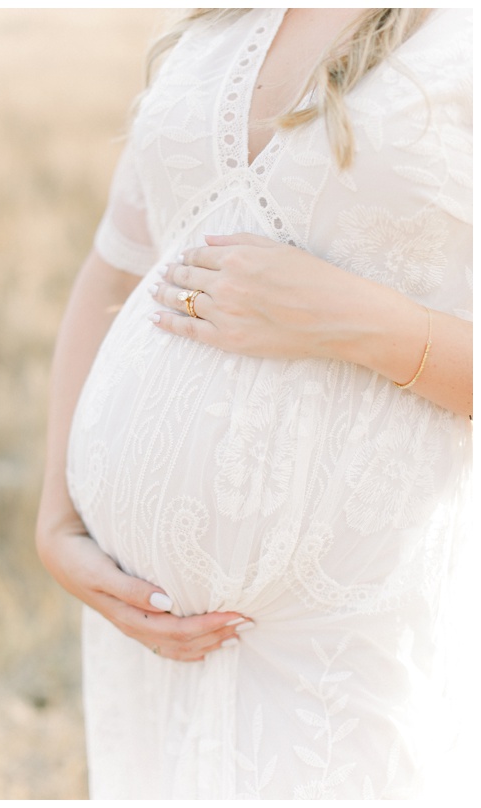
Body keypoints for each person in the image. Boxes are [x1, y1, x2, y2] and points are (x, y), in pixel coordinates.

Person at [36, 8, 471, 799]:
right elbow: (113, 273)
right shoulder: (218, 23)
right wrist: (57, 519)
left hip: (349, 658)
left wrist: (362, 321)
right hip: (157, 643)